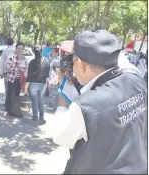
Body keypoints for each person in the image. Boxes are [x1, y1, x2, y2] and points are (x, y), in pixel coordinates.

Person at [46, 30, 147, 174]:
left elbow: (60, 137)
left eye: (72, 61)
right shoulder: (135, 79)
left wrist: (63, 102)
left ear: (82, 64)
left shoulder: (85, 106)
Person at [24, 47, 50, 124]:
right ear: (42, 51)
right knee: (40, 100)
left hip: (33, 84)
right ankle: (42, 116)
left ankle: (35, 117)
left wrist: (25, 87)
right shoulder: (47, 61)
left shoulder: (32, 62)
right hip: (43, 84)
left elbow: (29, 77)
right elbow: (48, 74)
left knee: (34, 101)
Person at [5, 42, 28, 113]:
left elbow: (26, 67)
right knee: (10, 93)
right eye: (18, 48)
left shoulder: (24, 58)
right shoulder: (11, 56)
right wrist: (18, 68)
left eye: (21, 48)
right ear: (16, 48)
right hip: (12, 78)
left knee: (17, 94)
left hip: (20, 79)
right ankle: (8, 108)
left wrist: (23, 70)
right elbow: (8, 67)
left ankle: (14, 108)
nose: (20, 50)